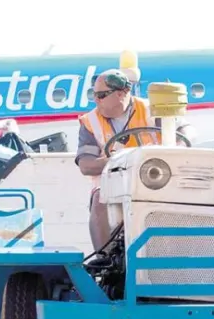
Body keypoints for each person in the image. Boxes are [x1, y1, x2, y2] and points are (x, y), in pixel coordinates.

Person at [75, 68, 198, 250]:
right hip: (112, 183)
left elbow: (188, 132)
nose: (96, 100)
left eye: (101, 95)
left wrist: (171, 150)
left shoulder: (152, 111)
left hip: (155, 178)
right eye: (94, 94)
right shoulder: (90, 122)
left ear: (121, 93)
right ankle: (104, 259)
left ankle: (177, 252)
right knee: (100, 197)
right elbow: (86, 165)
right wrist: (124, 160)